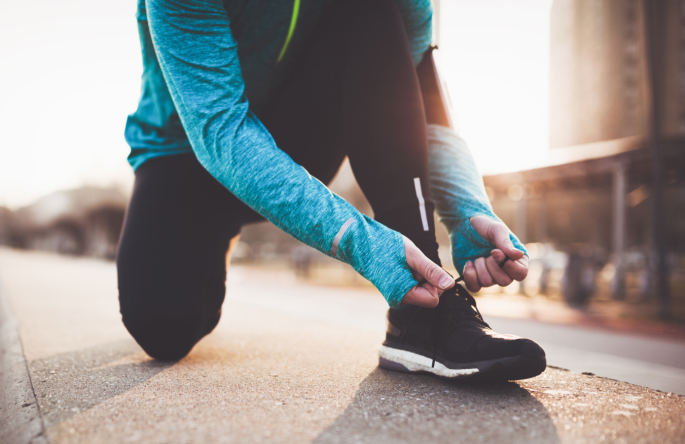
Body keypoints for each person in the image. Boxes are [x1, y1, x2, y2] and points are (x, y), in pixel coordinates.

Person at [117, 0, 546, 380]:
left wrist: (466, 207)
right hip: (186, 153)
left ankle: (423, 314)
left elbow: (419, 104)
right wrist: (360, 242)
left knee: (373, 9)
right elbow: (221, 129)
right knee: (164, 326)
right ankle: (215, 230)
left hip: (296, 136)